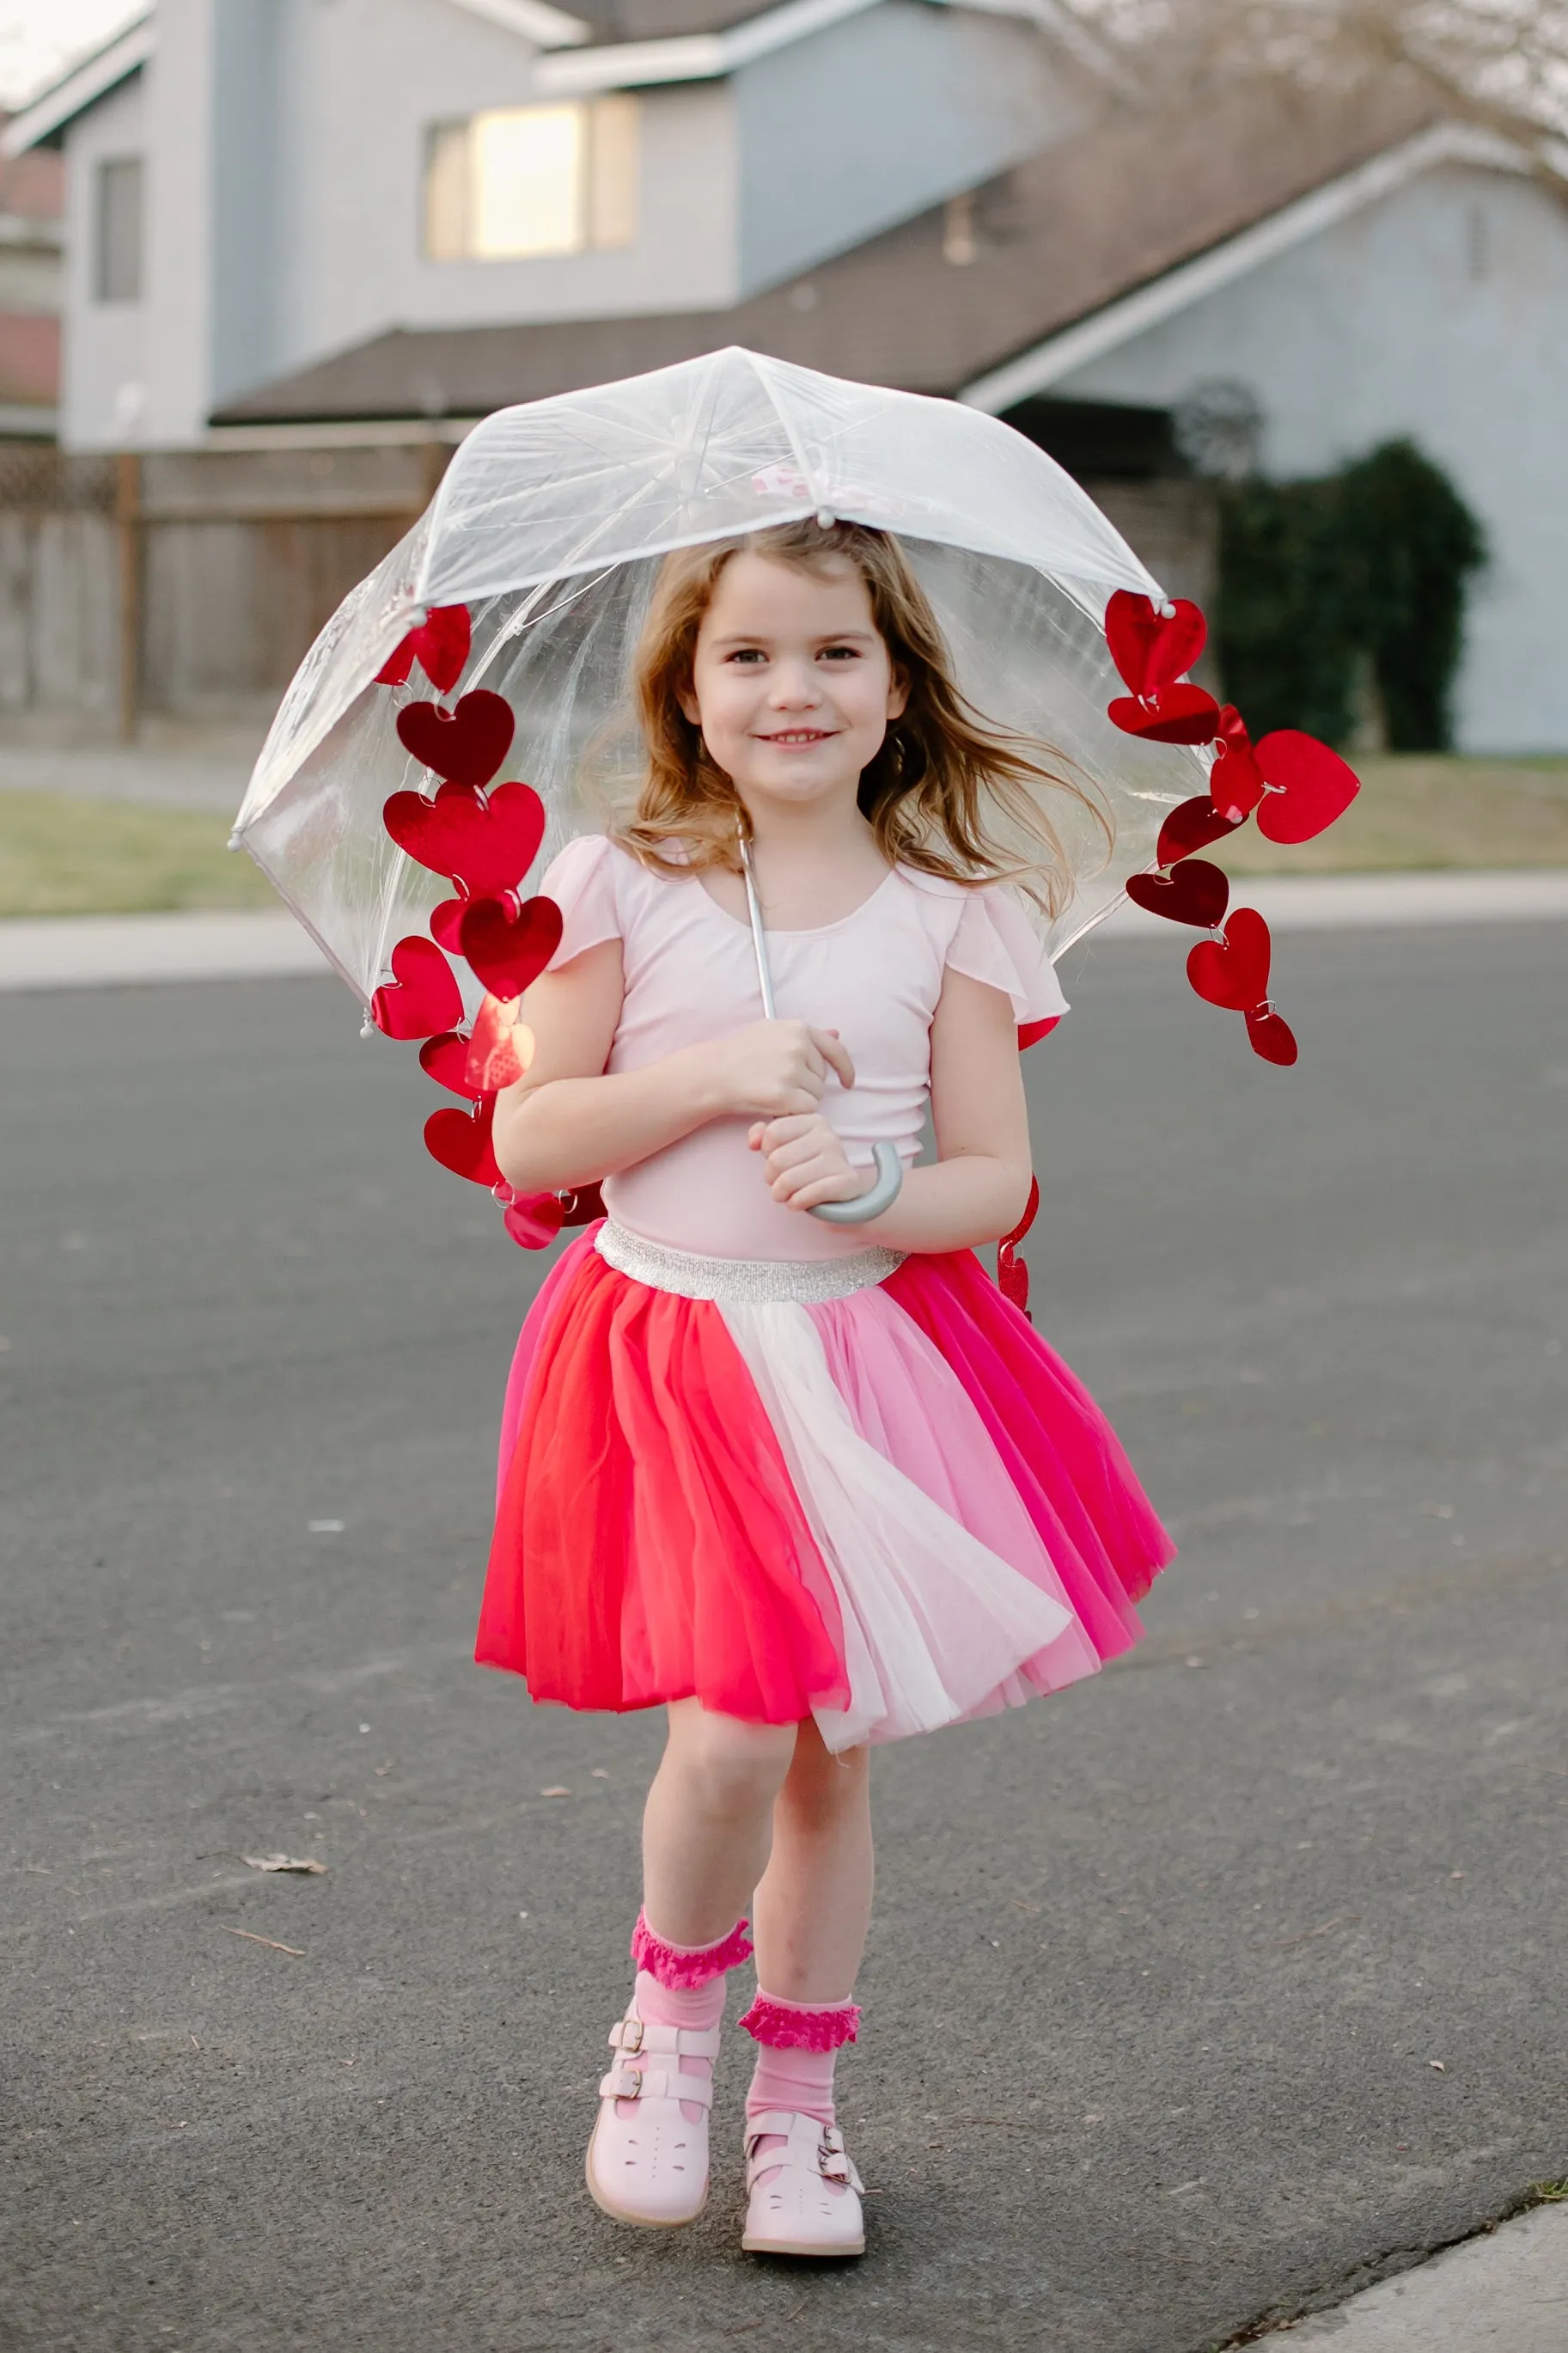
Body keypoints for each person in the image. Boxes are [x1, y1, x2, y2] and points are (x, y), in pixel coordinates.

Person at [479, 519, 1174, 2258]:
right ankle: (669, 2026)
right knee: (729, 1732)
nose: (794, 688)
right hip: (673, 1347)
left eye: (834, 655)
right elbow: (536, 1130)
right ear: (691, 697)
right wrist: (714, 1071)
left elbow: (992, 1181)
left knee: (826, 1758)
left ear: (896, 690)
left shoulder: (956, 916)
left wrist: (874, 1190)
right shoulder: (617, 880)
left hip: (859, 1350)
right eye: (750, 657)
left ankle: (801, 2104)